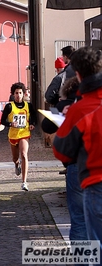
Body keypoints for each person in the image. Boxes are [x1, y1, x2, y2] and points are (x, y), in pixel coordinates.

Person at [53, 46, 102, 249]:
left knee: (96, 243)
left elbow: (61, 150)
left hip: (95, 181)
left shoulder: (79, 110)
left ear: (78, 75)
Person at [1, 82, 37, 191]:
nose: (18, 95)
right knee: (15, 158)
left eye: (20, 93)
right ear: (13, 94)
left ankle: (24, 182)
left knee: (24, 154)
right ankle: (17, 164)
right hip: (13, 135)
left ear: (24, 94)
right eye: (16, 93)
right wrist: (10, 124)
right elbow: (3, 121)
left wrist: (32, 124)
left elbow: (34, 117)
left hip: (24, 133)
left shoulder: (28, 106)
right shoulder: (9, 106)